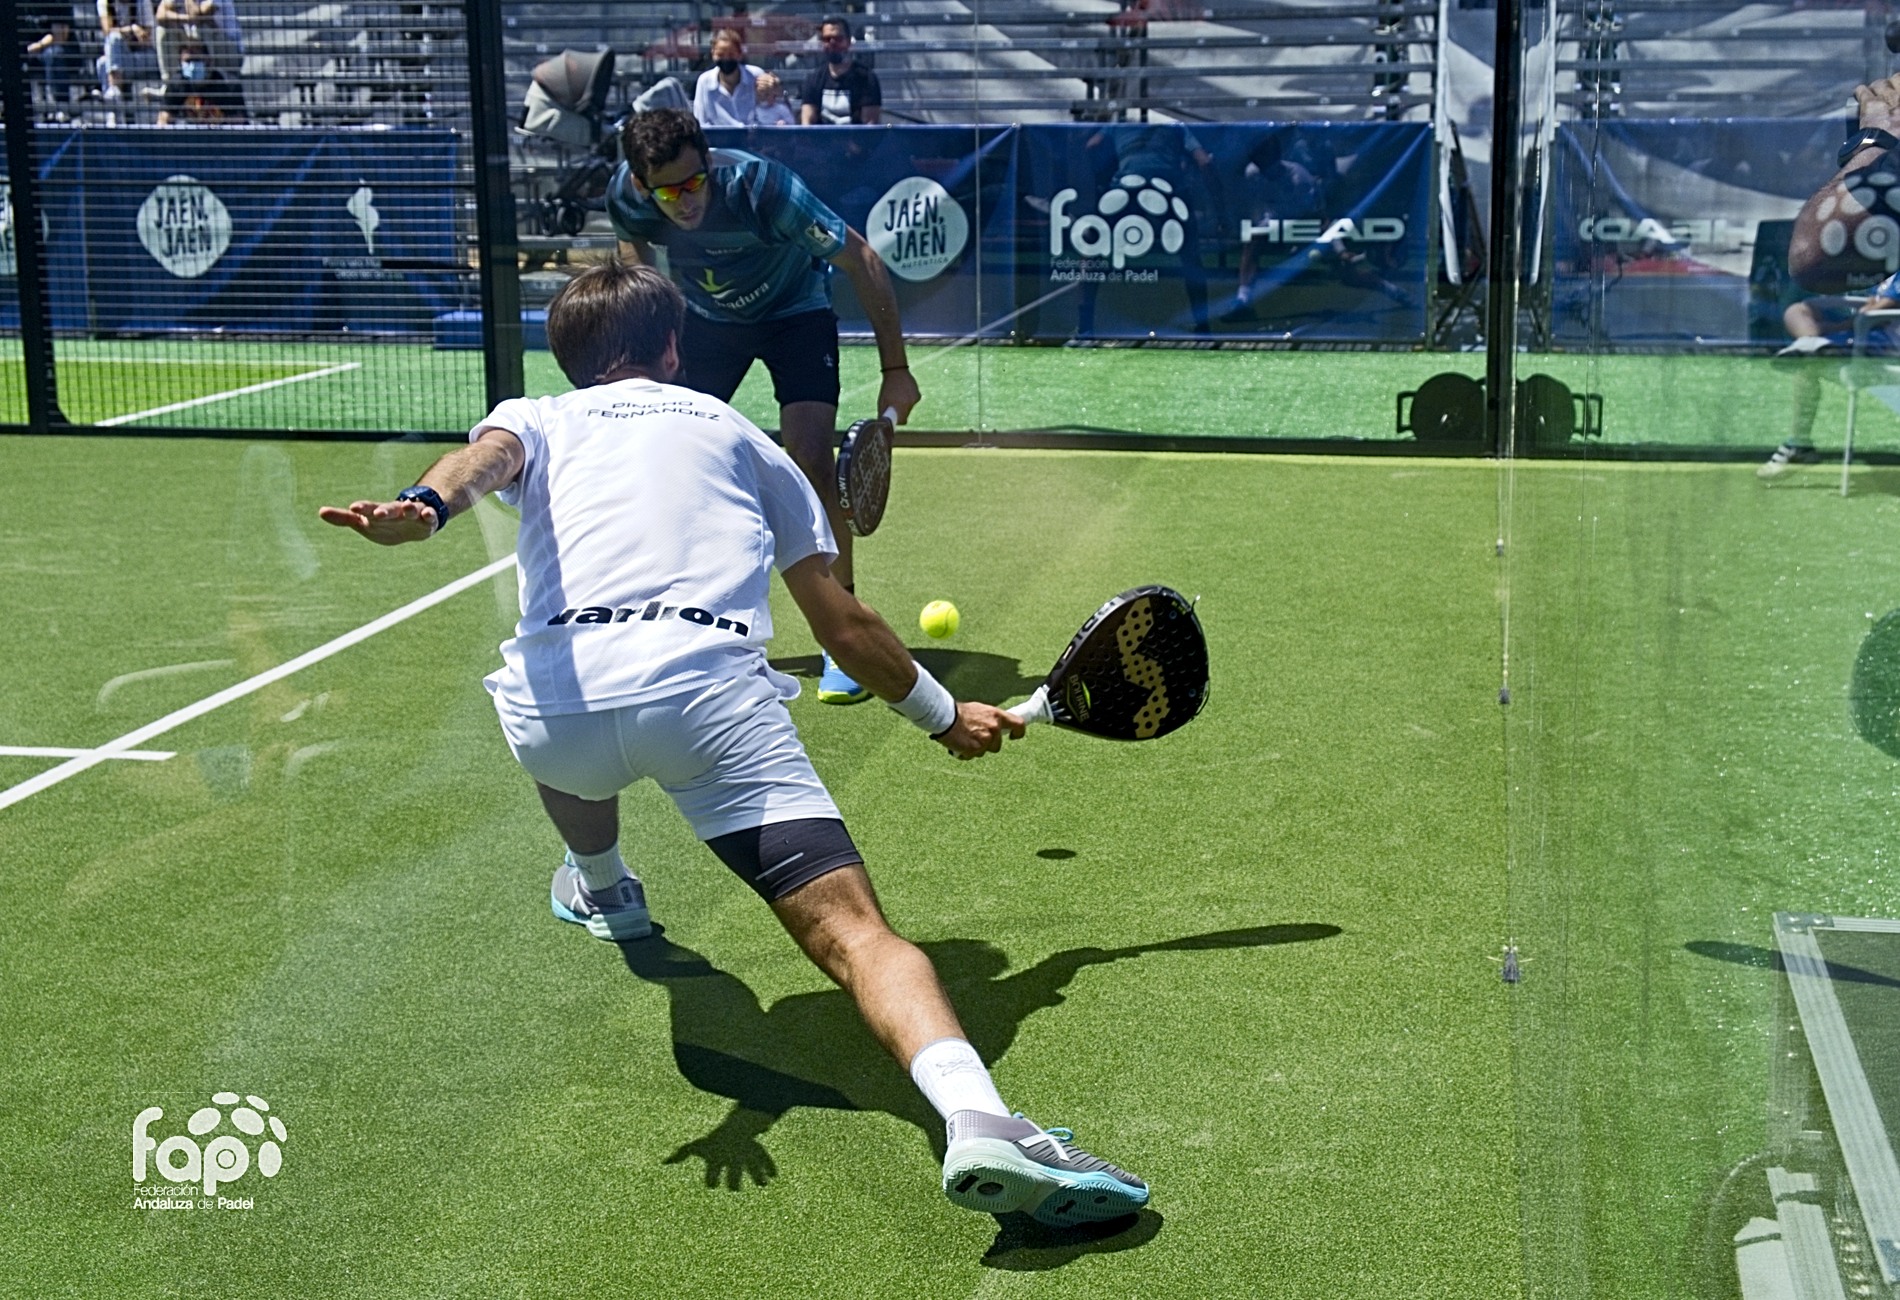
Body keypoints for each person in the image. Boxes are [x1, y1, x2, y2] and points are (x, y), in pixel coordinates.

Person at [315, 260, 1151, 1229]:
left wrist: (422, 509)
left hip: (558, 715)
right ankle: (980, 1120)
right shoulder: (744, 436)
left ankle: (605, 884)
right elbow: (843, 627)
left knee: (560, 726)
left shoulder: (534, 416)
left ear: (569, 358)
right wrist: (941, 715)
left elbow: (479, 465)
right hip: (705, 700)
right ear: (676, 349)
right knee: (858, 937)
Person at [604, 108, 921, 705]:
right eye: (669, 190)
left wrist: (896, 371)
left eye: (695, 182)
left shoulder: (764, 189)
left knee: (809, 458)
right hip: (705, 322)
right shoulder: (628, 196)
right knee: (667, 458)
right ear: (644, 185)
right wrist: (658, 337)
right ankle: (680, 625)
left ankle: (841, 636)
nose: (686, 201)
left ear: (708, 166)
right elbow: (636, 253)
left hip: (794, 313)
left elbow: (862, 258)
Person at [799, 15, 880, 125]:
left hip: (855, 141)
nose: (832, 43)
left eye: (838, 39)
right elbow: (807, 123)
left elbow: (869, 127)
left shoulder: (867, 79)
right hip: (822, 142)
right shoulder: (813, 80)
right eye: (827, 39)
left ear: (849, 42)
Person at [156, 34, 243, 123]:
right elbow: (163, 119)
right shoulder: (175, 84)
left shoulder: (228, 84)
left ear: (209, 61)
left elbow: (239, 122)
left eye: (197, 60)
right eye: (188, 61)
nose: (192, 66)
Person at [691, 27, 762, 128]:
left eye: (731, 54)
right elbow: (700, 120)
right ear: (713, 54)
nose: (726, 59)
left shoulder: (756, 76)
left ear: (739, 54)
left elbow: (769, 112)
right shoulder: (704, 81)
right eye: (720, 55)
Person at [25, 2, 83, 117]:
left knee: (54, 53)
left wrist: (37, 46)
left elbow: (60, 36)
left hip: (64, 53)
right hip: (30, 54)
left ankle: (61, 108)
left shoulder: (59, 2)